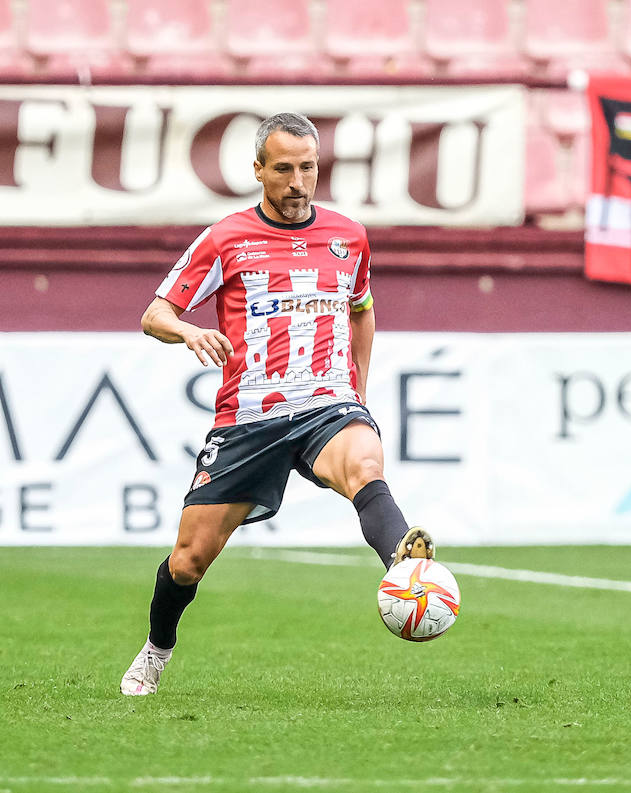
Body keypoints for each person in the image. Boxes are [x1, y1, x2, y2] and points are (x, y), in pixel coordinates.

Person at [120, 113, 435, 697]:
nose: (297, 181)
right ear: (258, 170)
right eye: (284, 169)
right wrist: (188, 333)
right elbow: (154, 314)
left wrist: (357, 392)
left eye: (308, 168)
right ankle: (157, 649)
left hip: (326, 404)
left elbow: (361, 310)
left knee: (365, 464)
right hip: (250, 418)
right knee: (189, 560)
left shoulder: (349, 237)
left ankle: (404, 563)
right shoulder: (225, 238)